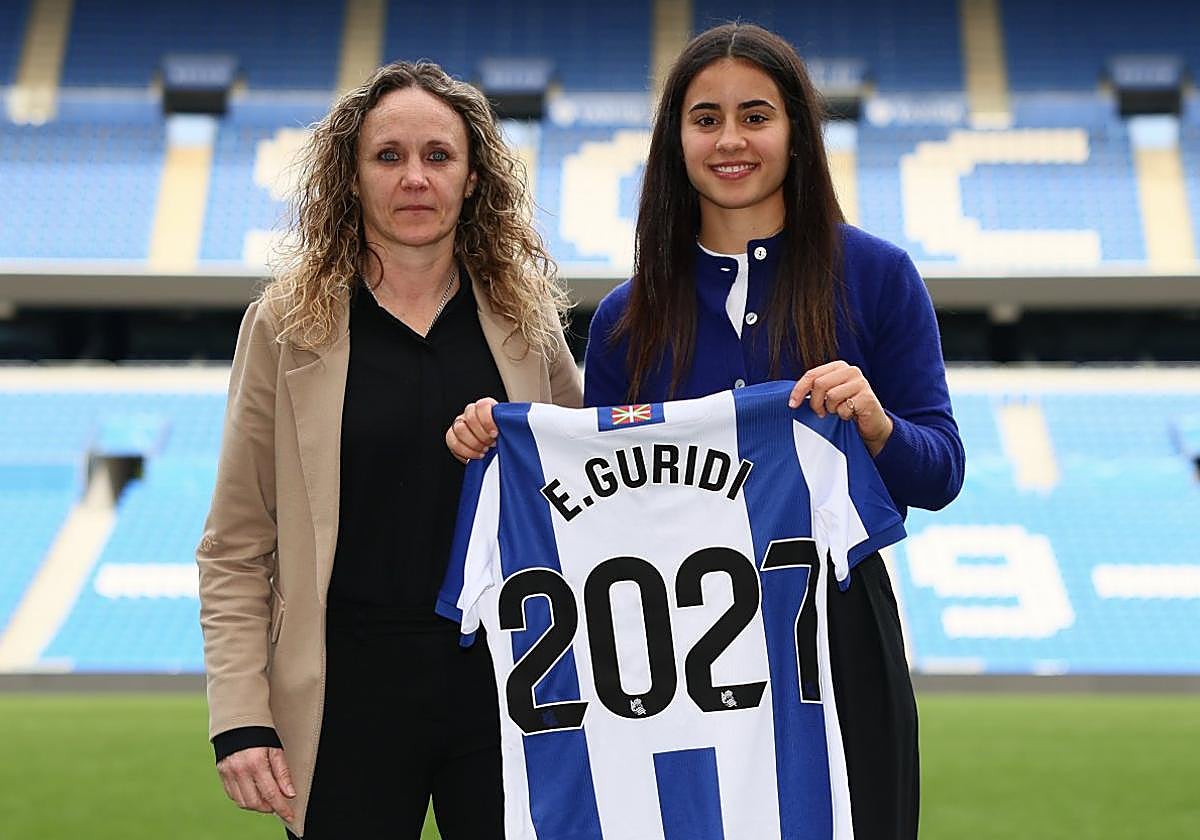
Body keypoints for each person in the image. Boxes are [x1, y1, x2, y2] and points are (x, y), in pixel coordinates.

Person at [448, 22, 964, 839]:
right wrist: (493, 441)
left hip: (830, 633)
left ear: (795, 130)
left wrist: (874, 422)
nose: (731, 139)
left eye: (756, 115)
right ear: (675, 139)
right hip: (678, 655)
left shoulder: (876, 275)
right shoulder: (625, 319)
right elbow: (597, 504)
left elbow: (940, 473)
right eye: (706, 118)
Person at [197, 61, 581, 839]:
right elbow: (236, 545)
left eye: (438, 156)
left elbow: (585, 492)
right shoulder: (284, 328)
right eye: (388, 156)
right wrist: (240, 716)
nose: (415, 178)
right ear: (352, 175)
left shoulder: (526, 323)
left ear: (474, 179)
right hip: (346, 697)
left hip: (511, 692)